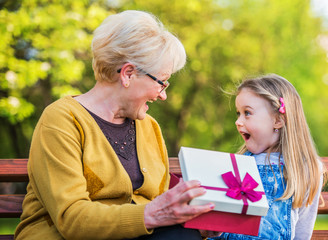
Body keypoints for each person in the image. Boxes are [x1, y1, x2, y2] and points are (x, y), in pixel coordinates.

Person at [15, 10, 219, 240]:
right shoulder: (61, 120)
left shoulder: (150, 127)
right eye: (162, 82)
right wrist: (150, 215)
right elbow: (72, 219)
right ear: (128, 74)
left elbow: (161, 210)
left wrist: (193, 222)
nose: (163, 95)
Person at [210, 74, 327, 240]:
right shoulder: (238, 164)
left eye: (247, 113)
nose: (238, 121)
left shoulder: (305, 168)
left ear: (278, 120)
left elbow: (302, 232)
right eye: (238, 114)